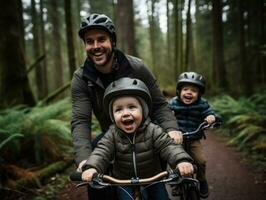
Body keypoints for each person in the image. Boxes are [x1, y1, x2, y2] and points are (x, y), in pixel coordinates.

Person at [71, 13, 183, 172]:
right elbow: (81, 120)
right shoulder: (81, 78)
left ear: (112, 41)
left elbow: (159, 104)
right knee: (94, 174)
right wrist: (83, 158)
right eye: (89, 41)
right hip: (112, 136)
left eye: (101, 39)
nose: (95, 46)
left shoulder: (137, 67)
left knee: (158, 173)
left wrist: (171, 128)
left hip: (147, 132)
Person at [81, 77, 194, 200]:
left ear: (143, 110)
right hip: (123, 181)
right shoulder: (112, 134)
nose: (125, 113)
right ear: (112, 116)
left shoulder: (153, 130)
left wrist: (181, 161)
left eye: (131, 107)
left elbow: (168, 146)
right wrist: (92, 167)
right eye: (118, 109)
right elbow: (101, 152)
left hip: (153, 179)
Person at [169, 71, 222, 198]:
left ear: (199, 94)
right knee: (174, 158)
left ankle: (202, 180)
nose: (188, 92)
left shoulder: (202, 104)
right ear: (179, 91)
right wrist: (167, 118)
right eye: (185, 89)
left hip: (193, 139)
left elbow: (214, 115)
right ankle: (177, 180)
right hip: (177, 139)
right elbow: (163, 114)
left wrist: (211, 117)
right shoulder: (173, 103)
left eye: (193, 90)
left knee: (200, 160)